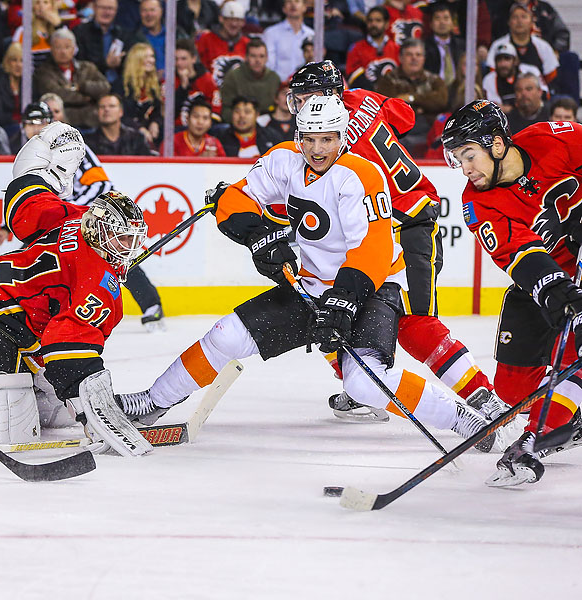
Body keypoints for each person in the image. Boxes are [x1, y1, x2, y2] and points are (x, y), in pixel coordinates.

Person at [113, 95, 504, 453]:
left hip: (372, 288)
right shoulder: (284, 159)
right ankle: (153, 401)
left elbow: (373, 250)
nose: (317, 149)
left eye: (327, 139)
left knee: (363, 382)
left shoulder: (361, 175)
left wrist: (344, 302)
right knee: (225, 335)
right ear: (298, 135)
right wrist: (257, 234)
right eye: (309, 139)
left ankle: (461, 419)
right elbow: (238, 196)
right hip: (313, 285)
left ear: (343, 136)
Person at [286, 61, 507, 424]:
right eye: (297, 99)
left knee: (415, 322)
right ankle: (361, 385)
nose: (300, 107)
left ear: (330, 95)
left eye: (306, 98)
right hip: (386, 224)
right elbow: (406, 116)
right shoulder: (361, 99)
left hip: (406, 225)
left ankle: (485, 398)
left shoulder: (330, 142)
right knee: (334, 303)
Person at [0, 122, 152, 455]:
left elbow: (24, 200)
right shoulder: (98, 282)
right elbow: (67, 345)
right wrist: (93, 415)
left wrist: (45, 163)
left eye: (132, 240)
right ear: (102, 232)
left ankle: (28, 390)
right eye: (123, 239)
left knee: (47, 414)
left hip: (20, 324)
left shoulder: (73, 215)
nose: (129, 248)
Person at [441, 100, 582, 486]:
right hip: (542, 283)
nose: (465, 169)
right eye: (458, 159)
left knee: (575, 356)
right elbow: (521, 256)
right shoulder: (476, 202)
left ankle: (536, 437)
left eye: (469, 155)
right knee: (512, 391)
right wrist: (557, 291)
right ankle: (568, 409)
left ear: (498, 144)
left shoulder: (553, 138)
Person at [9, 99, 167, 329]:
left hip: (85, 216)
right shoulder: (29, 154)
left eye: (41, 122)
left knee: (115, 255)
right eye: (30, 123)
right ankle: (27, 315)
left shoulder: (68, 145)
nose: (35, 128)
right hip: (57, 218)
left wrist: (71, 210)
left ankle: (151, 304)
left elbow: (101, 184)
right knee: (30, 260)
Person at [375, 39, 448, 155]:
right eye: (409, 54)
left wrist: (412, 98)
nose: (414, 58)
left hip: (429, 132)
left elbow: (441, 101)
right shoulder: (388, 80)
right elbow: (387, 107)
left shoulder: (434, 80)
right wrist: (423, 106)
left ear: (424, 58)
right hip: (399, 134)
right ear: (400, 58)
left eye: (418, 55)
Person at [33, 28, 111, 130]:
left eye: (67, 47)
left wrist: (82, 87)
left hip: (92, 123)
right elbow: (57, 95)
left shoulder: (87, 68)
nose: (63, 52)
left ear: (74, 49)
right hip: (63, 125)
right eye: (58, 47)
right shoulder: (44, 71)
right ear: (51, 49)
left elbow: (105, 88)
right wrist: (88, 97)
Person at [73, 0, 145, 86]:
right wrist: (105, 64)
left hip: (119, 86)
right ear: (94, 8)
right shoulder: (80, 32)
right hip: (89, 86)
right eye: (103, 8)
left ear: (116, 11)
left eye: (110, 8)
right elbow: (79, 64)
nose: (106, 12)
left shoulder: (124, 35)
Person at [486, 3, 558, 88]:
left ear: (531, 22)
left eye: (524, 17)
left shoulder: (543, 46)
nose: (519, 21)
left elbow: (551, 75)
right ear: (509, 22)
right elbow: (492, 72)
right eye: (515, 17)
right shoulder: (498, 45)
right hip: (504, 91)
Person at [220, 38, 281, 122]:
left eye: (261, 56)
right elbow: (226, 109)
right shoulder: (233, 77)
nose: (257, 60)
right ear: (246, 57)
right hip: (240, 122)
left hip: (268, 123)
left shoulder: (274, 78)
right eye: (253, 56)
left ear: (267, 58)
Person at [195, 0, 249, 87]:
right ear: (221, 19)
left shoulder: (247, 43)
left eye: (238, 20)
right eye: (230, 19)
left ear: (243, 22)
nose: (234, 24)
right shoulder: (205, 39)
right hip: (210, 91)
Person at [119, 42, 163, 149]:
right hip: (127, 137)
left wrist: (155, 122)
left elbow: (157, 112)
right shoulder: (122, 85)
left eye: (152, 56)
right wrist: (140, 129)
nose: (151, 60)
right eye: (146, 57)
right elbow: (122, 116)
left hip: (150, 136)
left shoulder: (154, 86)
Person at [344, 6, 399, 90]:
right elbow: (353, 76)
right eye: (370, 20)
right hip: (367, 93)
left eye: (378, 20)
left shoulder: (397, 48)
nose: (373, 24)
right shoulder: (356, 48)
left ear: (387, 24)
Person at [481, 42, 545, 112]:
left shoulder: (531, 70)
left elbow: (544, 95)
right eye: (499, 60)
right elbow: (495, 107)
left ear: (515, 61)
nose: (503, 64)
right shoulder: (489, 79)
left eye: (507, 59)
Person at [84, 93, 152, 156]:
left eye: (112, 106)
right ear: (97, 112)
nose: (106, 109)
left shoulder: (137, 138)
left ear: (121, 112)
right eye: (102, 107)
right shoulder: (87, 142)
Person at [174, 38, 222, 126]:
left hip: (205, 127)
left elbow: (216, 108)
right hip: (178, 128)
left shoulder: (207, 79)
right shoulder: (170, 81)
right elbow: (170, 112)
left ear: (193, 59)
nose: (179, 63)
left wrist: (204, 125)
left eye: (183, 59)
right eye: (176, 59)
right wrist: (183, 87)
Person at [263, 0, 313, 82]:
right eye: (289, 1)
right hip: (277, 84)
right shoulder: (271, 33)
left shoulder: (311, 35)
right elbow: (268, 65)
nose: (293, 4)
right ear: (283, 8)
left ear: (304, 7)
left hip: (305, 85)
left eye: (297, 1)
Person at [422, 2, 464, 89]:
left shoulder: (462, 46)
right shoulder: (423, 47)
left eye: (446, 18)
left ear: (452, 23)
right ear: (431, 24)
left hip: (458, 90)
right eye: (437, 18)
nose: (442, 22)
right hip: (433, 90)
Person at [10, 0, 62, 67]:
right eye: (37, 3)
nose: (41, 6)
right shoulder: (23, 31)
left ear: (52, 7)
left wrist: (58, 26)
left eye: (45, 2)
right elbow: (14, 59)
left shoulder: (60, 29)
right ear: (33, 7)